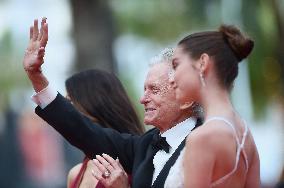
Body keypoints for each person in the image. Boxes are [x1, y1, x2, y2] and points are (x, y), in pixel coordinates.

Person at [22, 18, 202, 188]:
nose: (143, 99)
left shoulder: (209, 141)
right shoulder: (145, 145)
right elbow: (82, 130)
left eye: (154, 90)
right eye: (144, 89)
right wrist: (36, 76)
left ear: (185, 96)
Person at [167, 25, 260, 187]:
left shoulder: (202, 138)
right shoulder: (246, 136)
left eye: (176, 65)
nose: (171, 79)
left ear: (202, 63)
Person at [64, 69, 144, 188]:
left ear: (92, 102)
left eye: (70, 101)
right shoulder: (75, 174)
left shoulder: (139, 160)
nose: (64, 109)